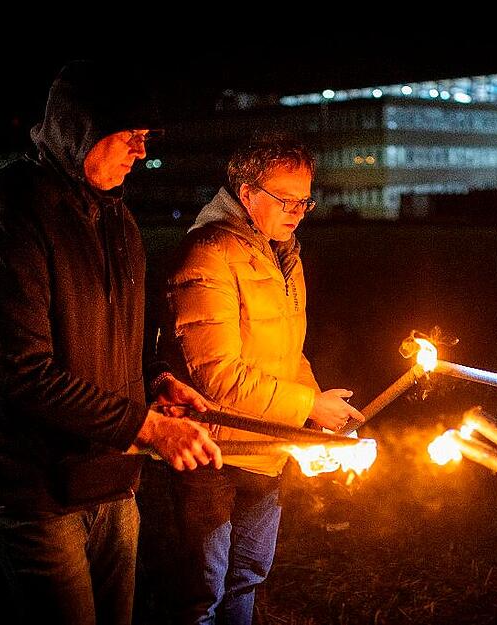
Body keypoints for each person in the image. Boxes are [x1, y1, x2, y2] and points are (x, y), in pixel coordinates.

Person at [0, 60, 222, 625]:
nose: (140, 153)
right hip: (35, 491)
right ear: (80, 129)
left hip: (112, 479)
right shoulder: (6, 217)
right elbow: (23, 375)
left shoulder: (118, 219)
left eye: (144, 138)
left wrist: (154, 380)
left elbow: (117, 336)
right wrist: (148, 428)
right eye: (128, 136)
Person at [157, 134, 365, 624]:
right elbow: (218, 376)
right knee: (203, 593)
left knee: (248, 576)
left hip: (268, 449)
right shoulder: (207, 254)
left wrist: (315, 406)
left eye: (305, 201)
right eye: (284, 199)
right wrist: (307, 406)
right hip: (212, 453)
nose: (297, 212)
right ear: (246, 193)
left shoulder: (283, 254)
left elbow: (286, 352)